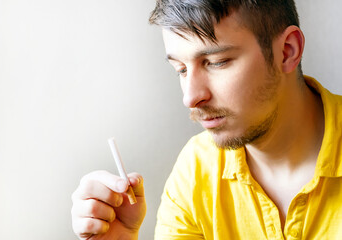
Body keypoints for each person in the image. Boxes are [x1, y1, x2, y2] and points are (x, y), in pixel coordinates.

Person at [71, 0, 342, 239]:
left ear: (287, 51)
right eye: (181, 69)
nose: (191, 98)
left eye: (216, 62)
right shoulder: (195, 172)